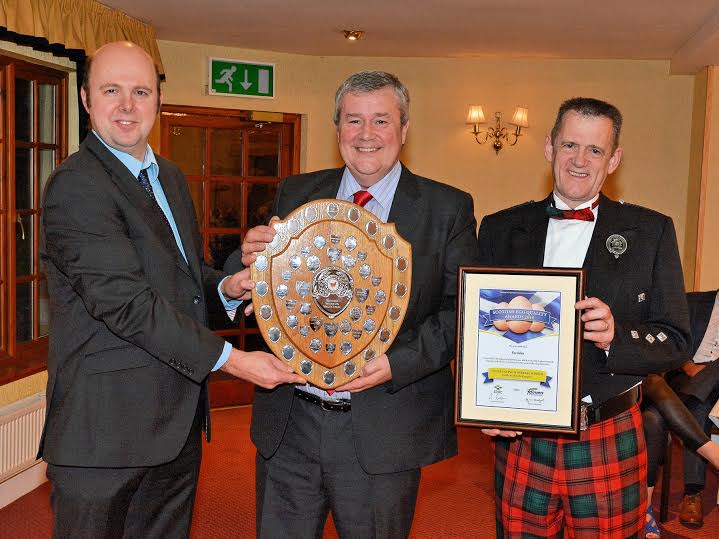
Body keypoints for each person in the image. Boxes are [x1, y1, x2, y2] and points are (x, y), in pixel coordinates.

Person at [38, 41, 303, 538]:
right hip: (105, 438)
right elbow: (129, 306)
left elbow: (182, 277)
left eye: (140, 91)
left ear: (158, 100)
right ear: (85, 99)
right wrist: (235, 360)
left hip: (175, 428)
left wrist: (226, 285)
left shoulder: (170, 179)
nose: (126, 106)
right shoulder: (77, 187)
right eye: (111, 90)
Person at [225, 70, 479, 538]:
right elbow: (257, 281)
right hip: (291, 421)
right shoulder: (295, 193)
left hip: (384, 428)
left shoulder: (448, 209)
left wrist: (396, 364)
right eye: (353, 120)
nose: (366, 135)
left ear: (404, 130)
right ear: (337, 128)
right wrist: (247, 264)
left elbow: (460, 313)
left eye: (381, 120)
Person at [477, 97, 691, 538]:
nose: (579, 160)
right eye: (570, 145)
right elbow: (476, 333)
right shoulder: (500, 228)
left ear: (613, 160)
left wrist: (618, 336)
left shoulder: (651, 231)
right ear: (549, 148)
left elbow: (676, 340)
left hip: (607, 432)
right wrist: (485, 404)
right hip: (524, 436)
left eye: (594, 150)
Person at [655, 289, 719, 529]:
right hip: (687, 376)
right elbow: (671, 341)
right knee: (697, 409)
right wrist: (688, 365)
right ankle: (692, 493)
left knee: (696, 399)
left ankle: (695, 395)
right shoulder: (693, 301)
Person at [641, 373, 719, 537]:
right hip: (644, 383)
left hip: (670, 388)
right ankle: (712, 453)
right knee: (656, 395)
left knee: (654, 420)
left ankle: (647, 506)